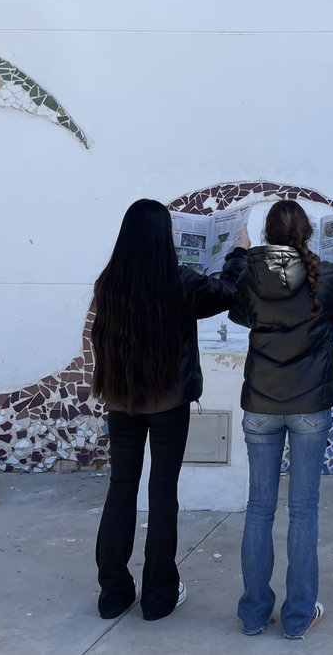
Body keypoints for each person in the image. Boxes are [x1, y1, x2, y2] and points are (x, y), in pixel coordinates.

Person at [220, 200, 333, 640]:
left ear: (269, 233)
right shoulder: (325, 275)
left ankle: (254, 614)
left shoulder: (250, 275)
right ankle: (297, 617)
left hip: (260, 404)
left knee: (258, 509)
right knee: (304, 510)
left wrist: (239, 253)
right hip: (310, 405)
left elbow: (236, 311)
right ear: (308, 233)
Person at [91, 198, 245, 621]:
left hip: (121, 402)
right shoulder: (179, 281)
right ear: (166, 237)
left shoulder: (109, 282)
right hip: (168, 402)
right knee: (162, 493)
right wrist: (237, 251)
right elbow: (229, 292)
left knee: (120, 489)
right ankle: (158, 595)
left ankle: (113, 593)